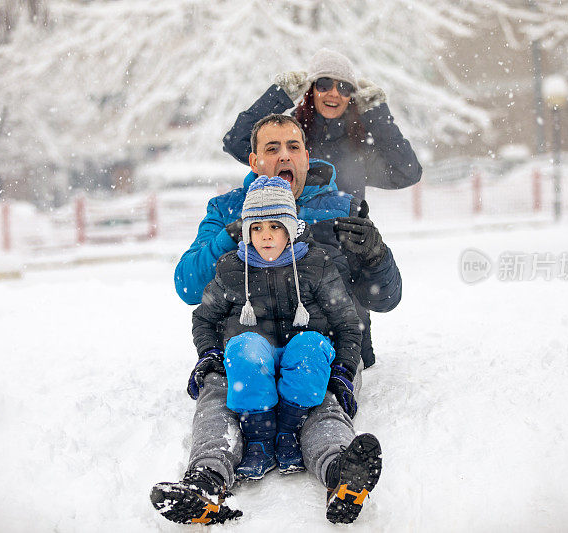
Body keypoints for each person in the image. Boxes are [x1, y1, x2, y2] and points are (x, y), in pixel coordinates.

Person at [152, 114, 401, 525]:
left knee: (322, 401)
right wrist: (231, 236)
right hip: (247, 345)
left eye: (294, 146)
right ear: (253, 161)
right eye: (272, 148)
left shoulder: (340, 207)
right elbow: (189, 287)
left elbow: (386, 298)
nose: (285, 155)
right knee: (219, 391)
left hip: (325, 348)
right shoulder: (228, 210)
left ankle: (341, 473)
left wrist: (376, 258)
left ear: (306, 156)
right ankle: (206, 479)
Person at [191, 175, 365, 485]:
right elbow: (204, 317)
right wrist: (209, 353)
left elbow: (346, 322)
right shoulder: (232, 268)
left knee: (310, 347)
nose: (266, 236)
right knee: (245, 349)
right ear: (246, 232)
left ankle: (291, 430)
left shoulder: (315, 263)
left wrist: (344, 369)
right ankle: (259, 437)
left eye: (275, 227)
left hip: (301, 359)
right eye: (256, 228)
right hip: (256, 364)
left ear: (290, 228)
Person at [223, 48, 422, 201]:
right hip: (296, 249)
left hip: (348, 251)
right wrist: (279, 95)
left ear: (351, 97)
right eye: (324, 84)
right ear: (310, 90)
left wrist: (377, 114)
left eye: (344, 87)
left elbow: (407, 173)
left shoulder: (358, 144)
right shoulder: (289, 137)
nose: (334, 93)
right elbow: (237, 143)